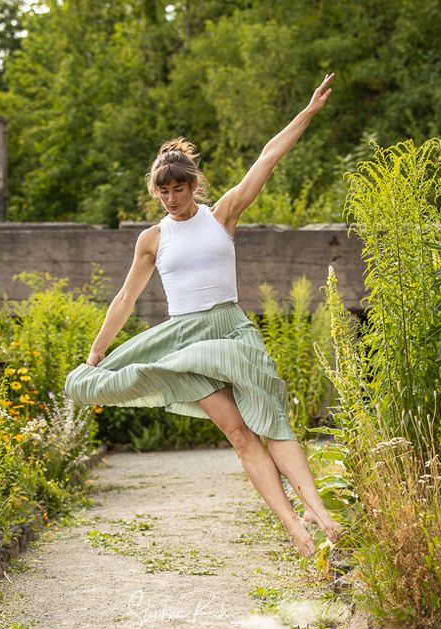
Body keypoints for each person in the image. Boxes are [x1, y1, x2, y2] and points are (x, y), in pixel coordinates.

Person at [65, 73, 344, 558]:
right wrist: (95, 354)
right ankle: (298, 535)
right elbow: (125, 298)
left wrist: (310, 111)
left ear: (193, 184)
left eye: (179, 188)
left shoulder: (222, 216)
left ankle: (322, 516)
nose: (172, 198)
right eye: (164, 191)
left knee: (270, 418)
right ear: (156, 192)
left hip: (230, 330)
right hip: (188, 343)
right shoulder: (152, 239)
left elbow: (268, 158)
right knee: (239, 434)